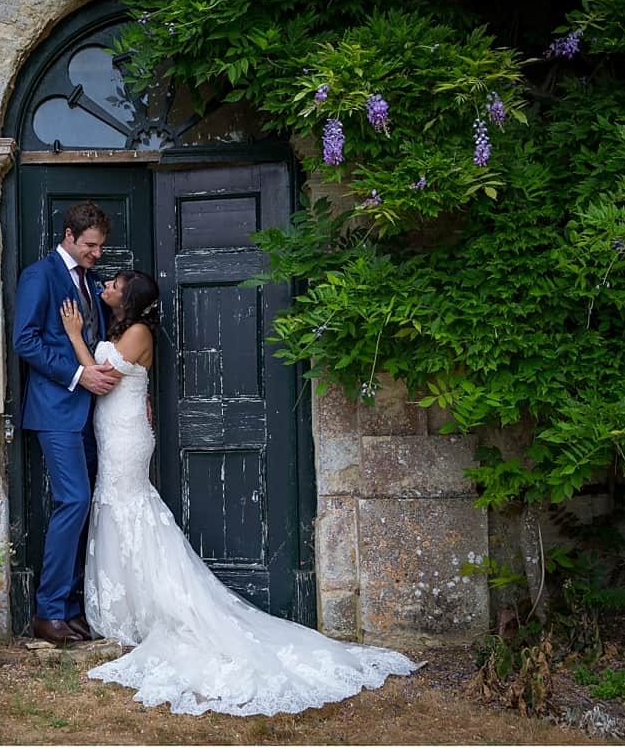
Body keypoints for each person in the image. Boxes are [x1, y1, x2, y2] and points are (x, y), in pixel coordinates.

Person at [59, 269, 419, 717]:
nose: (105, 286)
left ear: (128, 297)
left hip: (127, 434)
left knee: (128, 506)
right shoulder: (122, 327)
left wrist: (74, 335)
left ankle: (155, 606)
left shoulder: (136, 331)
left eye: (114, 284)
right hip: (112, 428)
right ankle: (123, 608)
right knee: (115, 507)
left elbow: (103, 378)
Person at [12, 202, 120, 646]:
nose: (97, 253)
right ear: (69, 236)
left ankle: (73, 608)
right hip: (55, 410)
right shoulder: (41, 275)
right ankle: (48, 611)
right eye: (91, 245)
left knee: (86, 503)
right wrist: (78, 375)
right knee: (73, 501)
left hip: (91, 415)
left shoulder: (91, 283)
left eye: (100, 246)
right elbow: (25, 340)